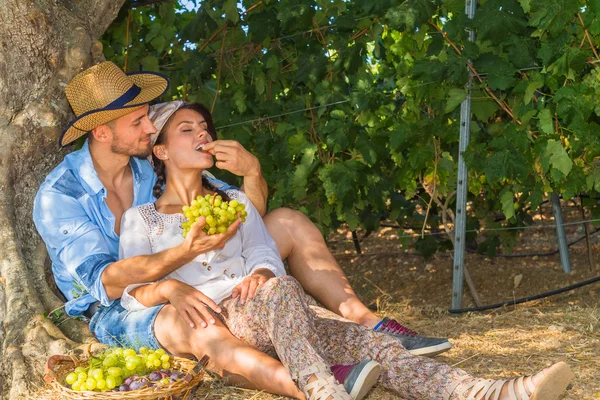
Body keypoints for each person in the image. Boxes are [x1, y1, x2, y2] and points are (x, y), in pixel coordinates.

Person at [116, 100, 574, 400]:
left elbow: (262, 251)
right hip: (220, 317)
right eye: (185, 130)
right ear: (159, 150)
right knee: (285, 293)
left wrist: (263, 272)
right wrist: (170, 286)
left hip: (271, 308)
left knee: (379, 348)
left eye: (205, 127)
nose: (201, 135)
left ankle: (498, 392)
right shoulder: (142, 219)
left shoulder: (231, 201)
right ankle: (322, 388)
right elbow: (131, 290)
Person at [33, 61, 450, 356]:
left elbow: (243, 216)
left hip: (192, 271)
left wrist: (252, 173)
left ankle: (367, 323)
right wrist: (187, 255)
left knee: (287, 220)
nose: (147, 127)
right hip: (126, 303)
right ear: (102, 132)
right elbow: (107, 285)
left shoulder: (150, 165)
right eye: (137, 122)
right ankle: (303, 359)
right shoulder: (60, 196)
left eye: (148, 119)